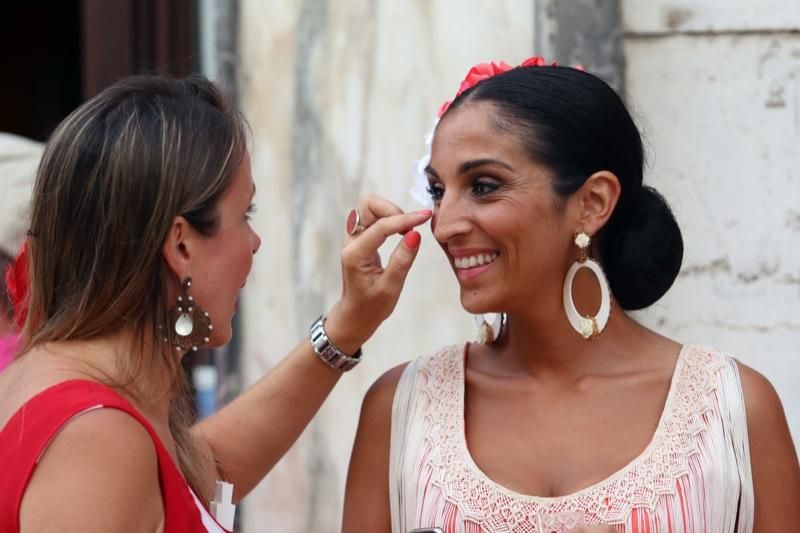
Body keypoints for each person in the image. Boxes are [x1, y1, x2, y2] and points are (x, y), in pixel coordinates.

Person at [342, 58, 800, 532]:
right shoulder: (402, 408)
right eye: (438, 190)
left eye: (483, 186)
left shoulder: (731, 411)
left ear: (592, 203)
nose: (444, 224)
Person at [0, 75, 432, 531]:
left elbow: (200, 475)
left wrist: (347, 325)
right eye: (244, 215)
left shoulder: (71, 383)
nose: (255, 242)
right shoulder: (95, 438)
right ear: (181, 245)